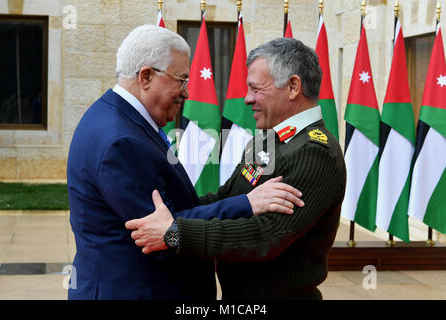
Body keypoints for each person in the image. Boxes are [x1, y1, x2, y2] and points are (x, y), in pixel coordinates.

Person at [67, 25, 302, 300]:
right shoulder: (120, 140)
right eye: (181, 80)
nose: (187, 93)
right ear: (146, 76)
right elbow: (161, 231)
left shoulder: (117, 118)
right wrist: (248, 204)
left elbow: (173, 213)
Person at [126, 37, 347, 300]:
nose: (247, 99)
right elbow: (226, 198)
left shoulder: (315, 152)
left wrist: (175, 233)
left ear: (293, 86)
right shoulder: (267, 138)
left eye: (256, 89)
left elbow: (266, 236)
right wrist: (168, 210)